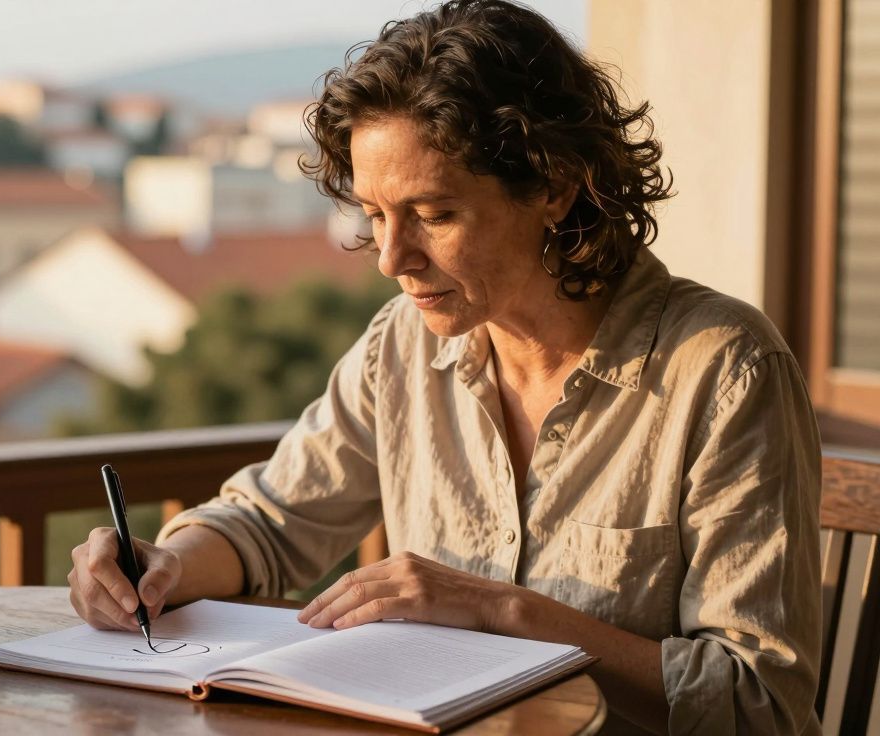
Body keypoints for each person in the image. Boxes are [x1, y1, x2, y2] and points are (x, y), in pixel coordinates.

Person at [67, 1, 822, 733]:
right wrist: (161, 564)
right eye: (374, 216)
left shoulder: (725, 371)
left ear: (555, 187)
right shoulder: (404, 343)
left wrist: (505, 610)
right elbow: (271, 522)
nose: (393, 259)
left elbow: (758, 705)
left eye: (434, 214)